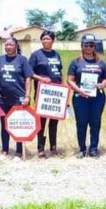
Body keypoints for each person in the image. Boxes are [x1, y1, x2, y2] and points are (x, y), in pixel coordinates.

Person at [67, 34, 106, 159]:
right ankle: (82, 149)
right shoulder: (76, 62)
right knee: (81, 123)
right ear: (82, 46)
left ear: (95, 47)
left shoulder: (100, 62)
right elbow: (70, 80)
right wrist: (79, 90)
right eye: (86, 45)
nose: (89, 47)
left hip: (97, 98)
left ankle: (94, 149)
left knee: (95, 122)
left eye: (91, 45)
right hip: (80, 97)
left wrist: (102, 84)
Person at [0, 37, 33, 161]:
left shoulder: (22, 60)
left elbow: (28, 78)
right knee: (4, 125)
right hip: (3, 99)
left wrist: (27, 96)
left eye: (11, 45)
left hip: (19, 99)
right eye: (6, 45)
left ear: (16, 46)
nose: (8, 47)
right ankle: (5, 151)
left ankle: (19, 152)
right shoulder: (0, 60)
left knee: (18, 125)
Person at [28, 30, 63, 158]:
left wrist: (64, 91)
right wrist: (41, 79)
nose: (45, 41)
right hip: (42, 94)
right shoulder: (36, 55)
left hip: (57, 94)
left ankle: (53, 148)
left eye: (48, 39)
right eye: (43, 39)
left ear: (53, 40)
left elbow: (60, 73)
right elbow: (29, 73)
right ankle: (40, 149)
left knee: (54, 122)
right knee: (42, 123)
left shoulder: (56, 55)